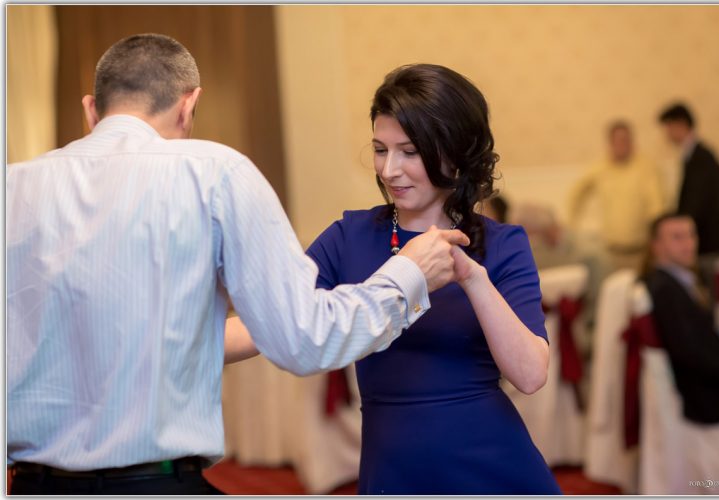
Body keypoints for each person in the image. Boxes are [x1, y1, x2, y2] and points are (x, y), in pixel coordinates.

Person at [6, 34, 469, 495]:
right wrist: (407, 275)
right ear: (189, 105)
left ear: (91, 111)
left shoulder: (13, 187)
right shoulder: (214, 173)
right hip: (157, 483)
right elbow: (303, 339)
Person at [308, 64, 561, 494]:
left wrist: (472, 277)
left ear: (454, 153)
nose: (389, 170)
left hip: (494, 468)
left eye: (409, 152)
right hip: (392, 471)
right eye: (380, 149)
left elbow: (531, 374)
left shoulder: (502, 244)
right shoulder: (349, 237)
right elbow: (281, 317)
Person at [641, 213, 719, 425]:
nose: (688, 244)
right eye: (677, 237)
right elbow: (691, 353)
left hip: (716, 374)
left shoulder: (678, 279)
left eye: (691, 235)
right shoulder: (665, 289)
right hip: (710, 395)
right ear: (656, 245)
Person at [568, 120, 665, 274]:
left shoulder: (647, 168)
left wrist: (659, 238)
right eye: (618, 141)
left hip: (641, 251)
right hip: (611, 251)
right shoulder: (600, 168)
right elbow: (576, 194)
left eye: (626, 140)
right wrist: (571, 226)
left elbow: (656, 205)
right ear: (610, 143)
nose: (622, 145)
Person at [658, 103, 719, 257]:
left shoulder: (701, 157)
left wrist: (677, 229)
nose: (667, 134)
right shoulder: (693, 155)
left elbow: (696, 204)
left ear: (680, 124)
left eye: (668, 127)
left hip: (710, 242)